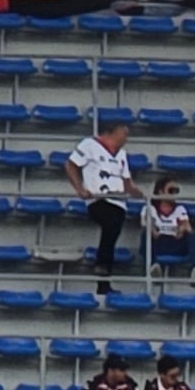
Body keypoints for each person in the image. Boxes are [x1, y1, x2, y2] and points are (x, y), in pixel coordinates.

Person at [65, 120, 136, 299]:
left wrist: (141, 194)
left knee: (111, 235)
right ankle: (101, 266)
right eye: (123, 134)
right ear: (113, 131)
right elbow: (71, 165)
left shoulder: (122, 155)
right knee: (110, 225)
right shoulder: (90, 145)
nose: (126, 138)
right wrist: (80, 189)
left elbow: (127, 182)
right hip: (99, 199)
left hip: (119, 201)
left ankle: (104, 283)